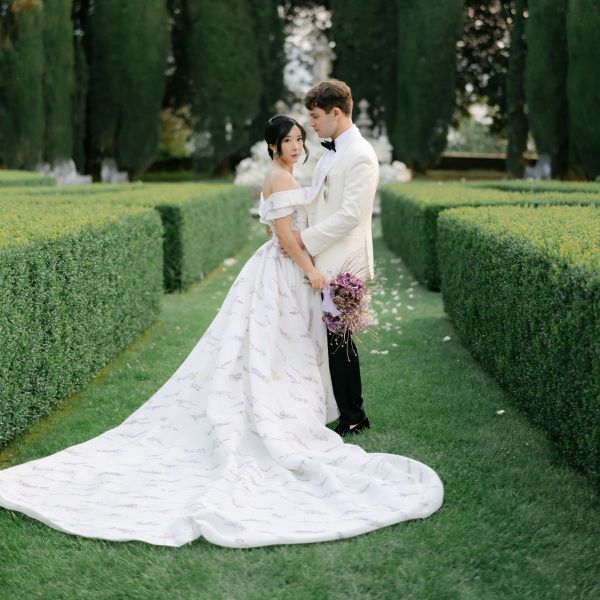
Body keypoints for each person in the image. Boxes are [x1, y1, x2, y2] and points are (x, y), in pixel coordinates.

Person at [0, 115, 443, 549]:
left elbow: (274, 224)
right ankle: (282, 414)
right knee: (280, 347)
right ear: (272, 147)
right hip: (288, 269)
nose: (295, 146)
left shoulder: (283, 176)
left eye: (298, 140)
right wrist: (312, 271)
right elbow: (287, 236)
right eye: (287, 141)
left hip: (276, 267)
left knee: (276, 346)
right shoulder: (281, 178)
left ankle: (291, 407)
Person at [290, 80, 378, 436]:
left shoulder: (360, 154)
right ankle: (343, 411)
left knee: (340, 343)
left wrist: (303, 239)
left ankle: (354, 416)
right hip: (323, 260)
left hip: (343, 265)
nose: (310, 123)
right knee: (333, 342)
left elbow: (350, 215)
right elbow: (319, 199)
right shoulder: (331, 152)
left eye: (315, 116)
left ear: (335, 113)